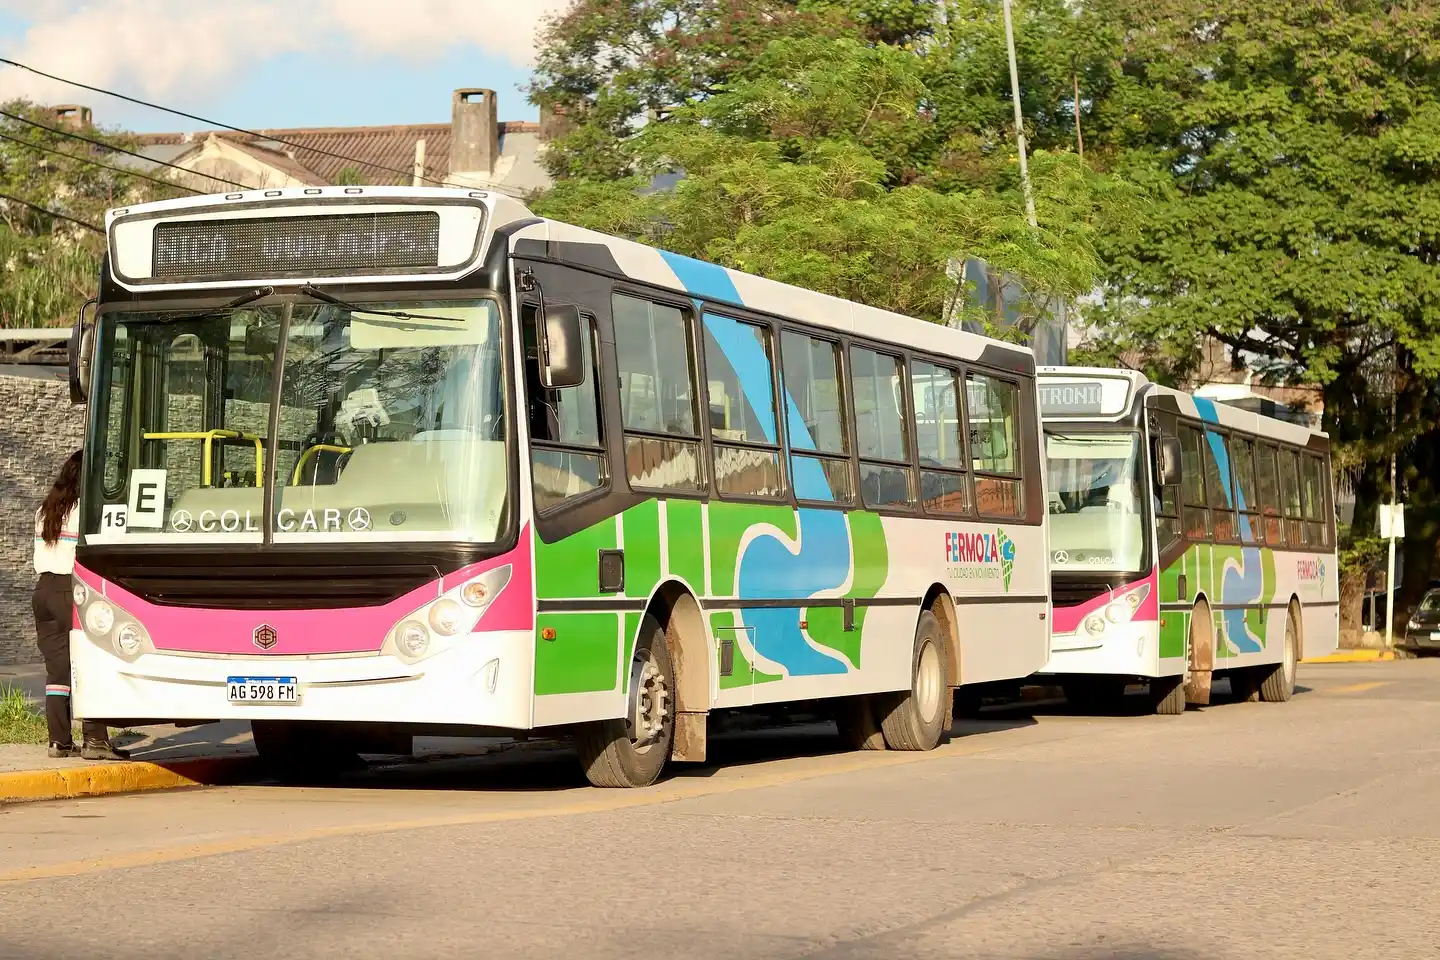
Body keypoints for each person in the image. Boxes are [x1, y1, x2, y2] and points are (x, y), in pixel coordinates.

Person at [33, 450, 128, 761]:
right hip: (71, 590)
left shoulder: (45, 510)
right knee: (92, 660)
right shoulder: (85, 513)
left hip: (43, 591)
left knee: (57, 671)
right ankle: (95, 739)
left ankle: (59, 741)